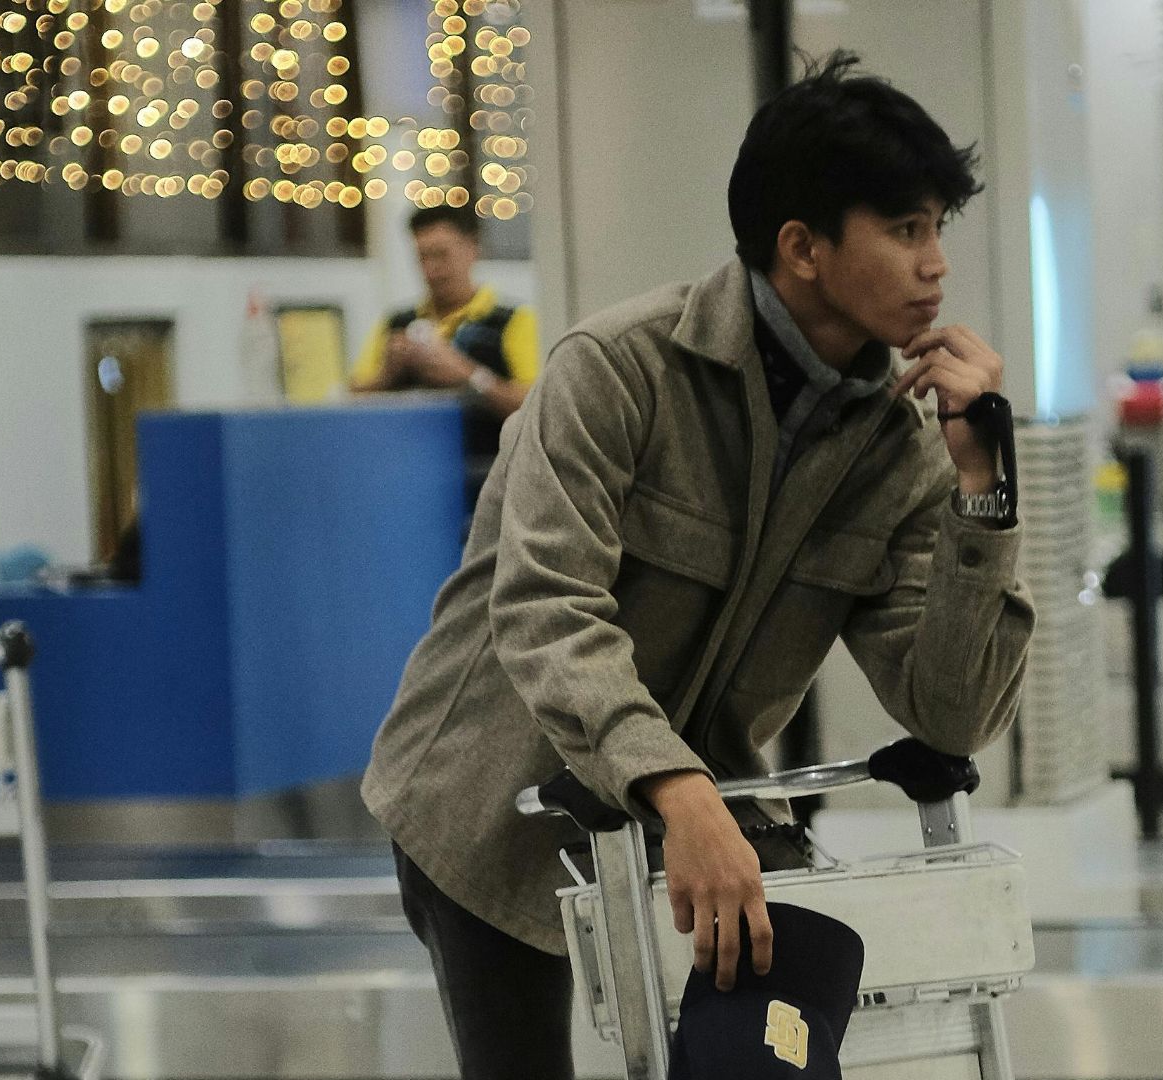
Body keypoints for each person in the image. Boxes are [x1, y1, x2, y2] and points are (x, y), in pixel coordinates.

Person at [362, 52, 1033, 1080]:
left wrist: (982, 482)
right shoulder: (618, 371)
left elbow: (952, 711)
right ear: (802, 247)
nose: (936, 264)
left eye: (939, 227)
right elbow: (547, 609)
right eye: (907, 230)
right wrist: (678, 791)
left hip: (708, 811)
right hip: (492, 799)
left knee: (763, 1061)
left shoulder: (898, 453)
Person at [349, 204, 541, 505]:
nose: (432, 269)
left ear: (472, 249)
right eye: (422, 257)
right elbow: (351, 401)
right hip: (407, 484)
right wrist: (388, 375)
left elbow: (534, 408)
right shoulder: (396, 324)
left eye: (441, 255)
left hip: (489, 485)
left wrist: (469, 376)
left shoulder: (513, 322)